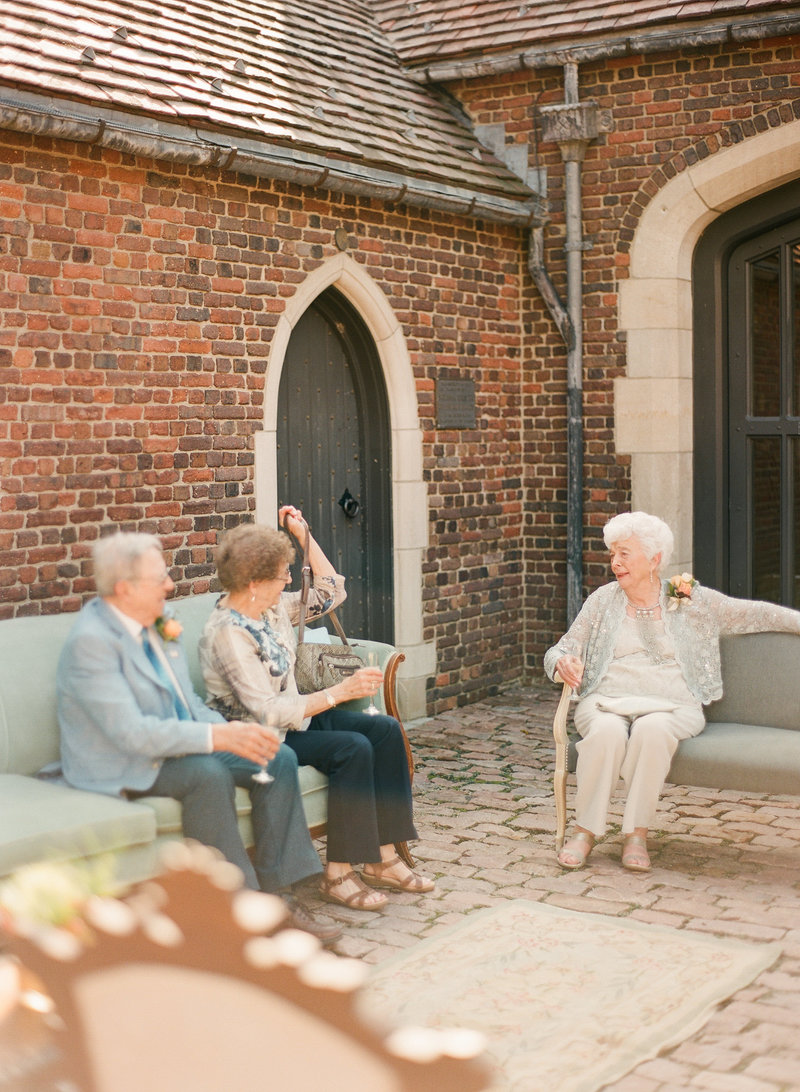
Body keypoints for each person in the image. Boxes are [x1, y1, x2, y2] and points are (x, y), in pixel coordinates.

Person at [56, 531, 341, 944]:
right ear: (125, 589)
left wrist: (233, 731)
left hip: (173, 743)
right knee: (206, 772)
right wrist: (215, 738)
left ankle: (281, 899)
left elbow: (185, 701)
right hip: (120, 762)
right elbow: (131, 735)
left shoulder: (156, 620)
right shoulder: (92, 643)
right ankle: (237, 910)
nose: (171, 586)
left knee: (275, 756)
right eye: (160, 579)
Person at [199, 506, 434, 912]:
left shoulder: (270, 608)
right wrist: (339, 693)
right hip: (259, 734)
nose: (289, 580)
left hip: (297, 719)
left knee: (386, 732)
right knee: (352, 748)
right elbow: (268, 712)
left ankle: (384, 858)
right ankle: (338, 874)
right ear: (253, 582)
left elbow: (331, 590)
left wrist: (302, 535)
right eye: (281, 575)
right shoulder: (227, 634)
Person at [544, 511, 800, 873]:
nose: (615, 562)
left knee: (651, 731)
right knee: (605, 735)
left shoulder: (688, 597)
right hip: (606, 701)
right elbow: (560, 649)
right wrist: (562, 664)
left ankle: (636, 835)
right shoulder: (603, 601)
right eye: (612, 554)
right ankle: (585, 831)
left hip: (672, 706)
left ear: (655, 559)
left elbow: (753, 614)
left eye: (625, 554)